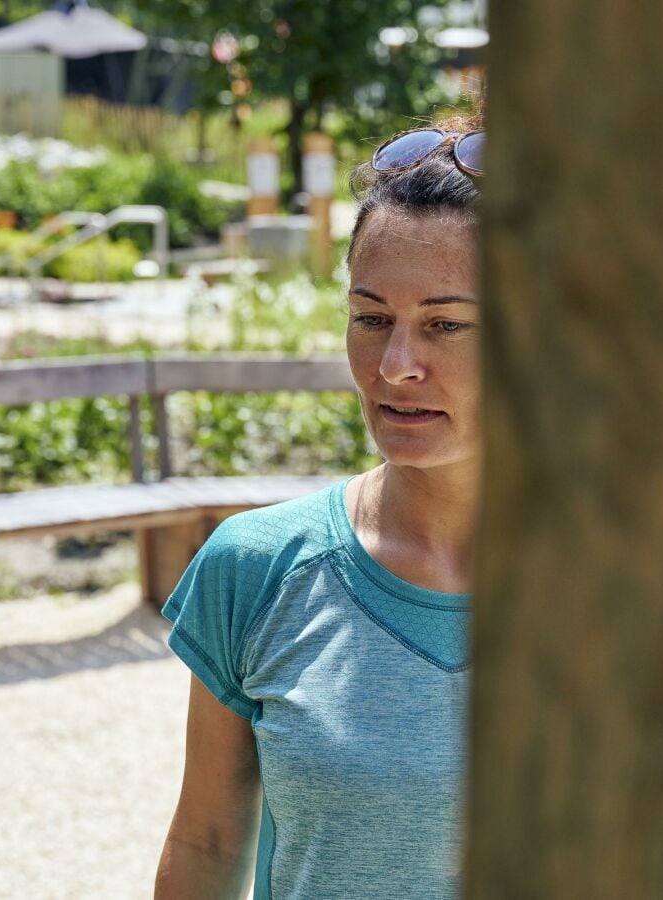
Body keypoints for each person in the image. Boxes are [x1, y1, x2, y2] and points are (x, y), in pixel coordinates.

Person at [154, 113, 484, 900]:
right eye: (371, 318)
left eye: (446, 325)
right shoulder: (256, 568)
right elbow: (204, 846)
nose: (396, 366)